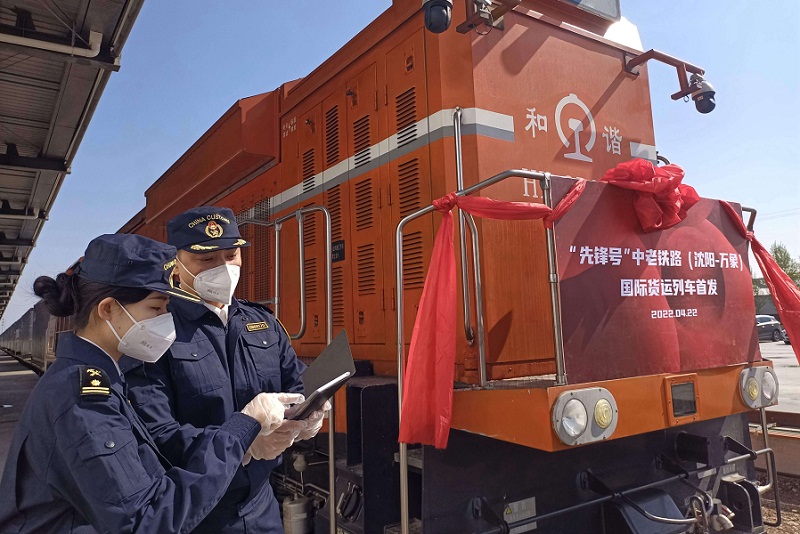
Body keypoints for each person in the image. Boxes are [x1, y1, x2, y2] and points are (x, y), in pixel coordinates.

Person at [0, 234, 303, 533]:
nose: (165, 320)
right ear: (108, 309)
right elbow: (146, 520)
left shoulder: (97, 379)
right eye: (156, 309)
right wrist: (241, 429)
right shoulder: (83, 400)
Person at [123, 207, 325, 533]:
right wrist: (242, 443)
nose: (224, 269)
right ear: (176, 264)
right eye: (207, 260)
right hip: (194, 514)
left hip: (261, 506)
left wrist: (312, 410)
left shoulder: (262, 324)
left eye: (231, 256)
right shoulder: (154, 332)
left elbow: (296, 381)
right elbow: (156, 435)